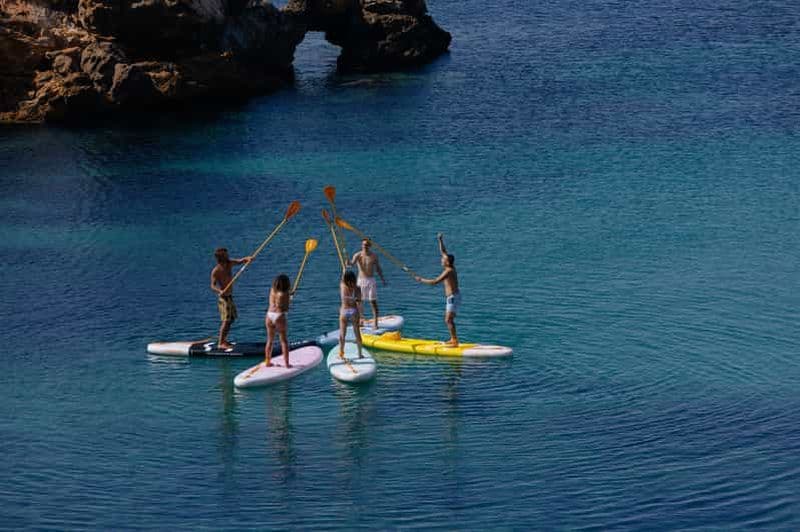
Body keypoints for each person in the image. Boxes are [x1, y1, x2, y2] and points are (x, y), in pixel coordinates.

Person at [414, 233, 460, 346]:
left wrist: (421, 280)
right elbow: (443, 251)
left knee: (448, 320)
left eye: (443, 259)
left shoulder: (448, 271)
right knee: (449, 319)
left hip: (453, 298)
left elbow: (434, 282)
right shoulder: (450, 267)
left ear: (447, 262)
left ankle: (454, 340)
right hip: (453, 297)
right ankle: (453, 339)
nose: (441, 259)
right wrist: (440, 240)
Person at [210, 248, 252, 350]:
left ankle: (223, 340)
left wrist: (248, 259)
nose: (228, 256)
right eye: (226, 255)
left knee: (231, 319)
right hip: (223, 298)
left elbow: (240, 261)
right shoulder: (216, 271)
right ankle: (221, 343)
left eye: (227, 254)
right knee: (226, 320)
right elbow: (212, 285)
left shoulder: (229, 263)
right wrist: (219, 291)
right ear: (221, 257)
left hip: (229, 297)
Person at [347, 238, 386, 330]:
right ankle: (361, 320)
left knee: (373, 302)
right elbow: (351, 264)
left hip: (370, 280)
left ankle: (375, 323)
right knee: (358, 302)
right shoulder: (358, 255)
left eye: (366, 245)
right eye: (363, 244)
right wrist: (348, 263)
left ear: (370, 246)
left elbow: (378, 268)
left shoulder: (374, 256)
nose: (364, 246)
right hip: (360, 280)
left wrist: (382, 279)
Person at [265, 274, 292, 367]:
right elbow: (286, 308)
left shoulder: (272, 290)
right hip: (279, 316)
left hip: (269, 315)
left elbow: (276, 302)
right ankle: (287, 364)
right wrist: (289, 299)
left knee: (270, 340)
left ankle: (267, 362)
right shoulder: (285, 294)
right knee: (283, 341)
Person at [339, 270, 364, 358]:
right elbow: (359, 303)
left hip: (344, 310)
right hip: (354, 311)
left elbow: (343, 277)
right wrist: (362, 316)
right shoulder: (357, 288)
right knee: (357, 332)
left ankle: (341, 354)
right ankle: (360, 354)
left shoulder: (342, 285)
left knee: (342, 333)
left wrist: (345, 268)